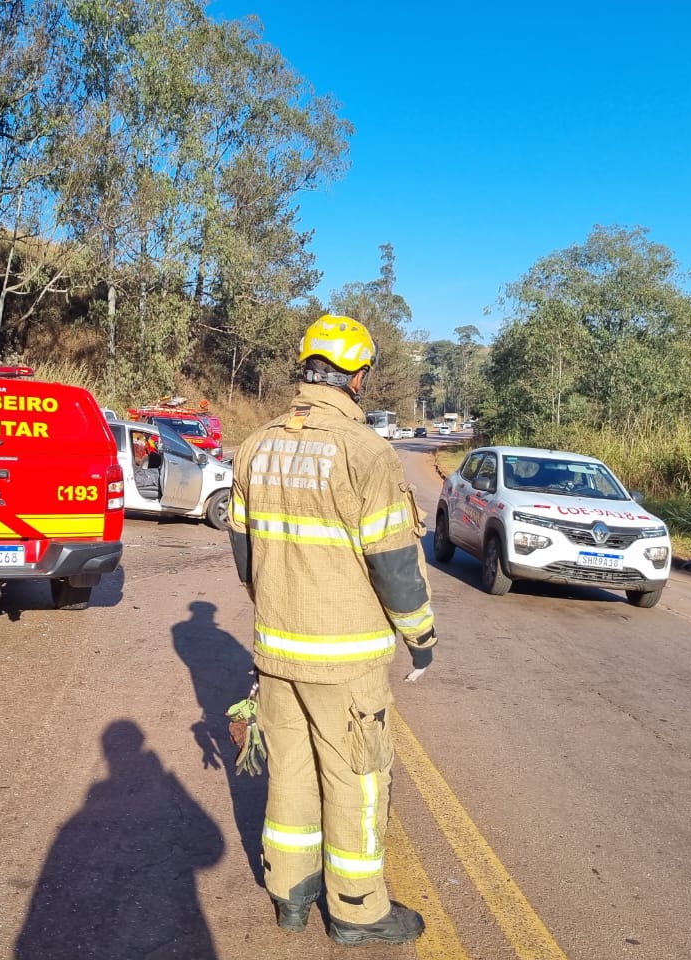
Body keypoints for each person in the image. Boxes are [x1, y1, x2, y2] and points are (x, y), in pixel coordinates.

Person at [227, 314, 438, 946]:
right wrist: (421, 637)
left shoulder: (254, 446)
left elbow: (245, 557)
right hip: (345, 661)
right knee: (355, 781)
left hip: (276, 653)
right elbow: (395, 565)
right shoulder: (366, 453)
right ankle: (358, 909)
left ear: (306, 367)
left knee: (289, 772)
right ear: (360, 377)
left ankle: (290, 894)